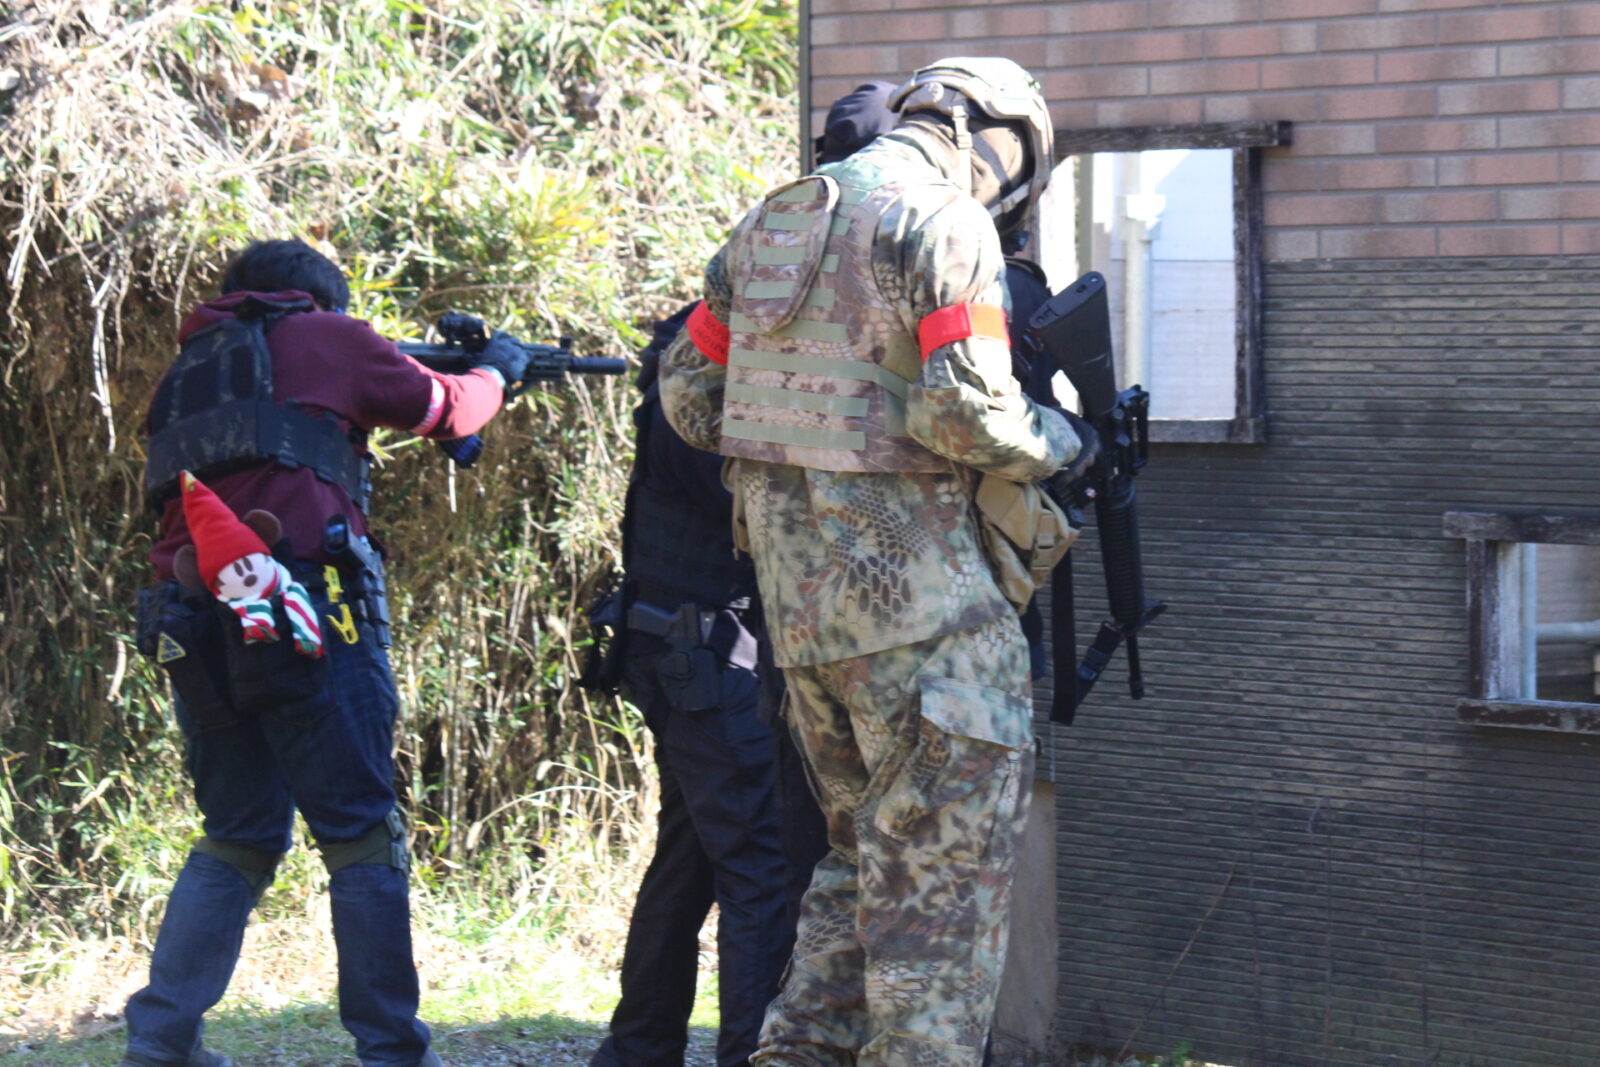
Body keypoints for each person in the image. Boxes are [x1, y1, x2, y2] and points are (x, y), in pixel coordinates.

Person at [658, 58, 1087, 1066]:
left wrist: (804, 466)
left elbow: (688, 397)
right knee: (938, 922)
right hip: (934, 635)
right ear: (995, 138)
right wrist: (1065, 443)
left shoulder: (774, 220)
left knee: (856, 884)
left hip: (808, 633)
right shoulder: (943, 222)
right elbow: (969, 415)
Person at [123, 238, 530, 1067]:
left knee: (237, 833)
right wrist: (500, 369)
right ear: (319, 300)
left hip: (191, 623)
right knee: (360, 833)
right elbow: (452, 410)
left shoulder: (185, 374)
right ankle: (392, 1050)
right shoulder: (326, 336)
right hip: (305, 612)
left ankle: (160, 1042)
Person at [584, 81, 904, 1067]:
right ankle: (747, 1052)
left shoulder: (727, 318)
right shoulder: (744, 336)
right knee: (761, 864)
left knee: (687, 858)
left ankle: (635, 1050)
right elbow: (740, 483)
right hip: (702, 648)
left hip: (678, 639)